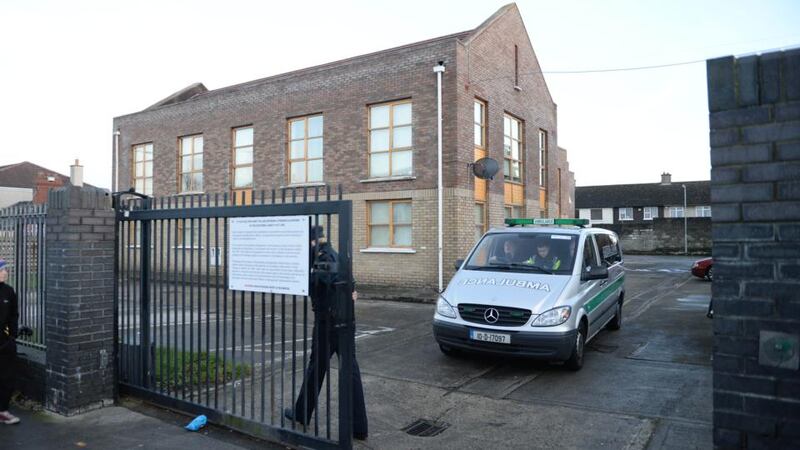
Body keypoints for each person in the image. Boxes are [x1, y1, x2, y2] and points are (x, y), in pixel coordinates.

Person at [285, 225, 368, 440]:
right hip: (344, 321)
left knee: (321, 367)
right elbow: (347, 282)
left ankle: (302, 413)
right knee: (345, 370)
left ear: (312, 242)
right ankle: (358, 427)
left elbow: (322, 284)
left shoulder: (323, 259)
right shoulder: (335, 254)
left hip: (329, 324)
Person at [0, 258, 20, 425]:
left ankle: (2, 411)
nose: (5, 272)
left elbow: (14, 314)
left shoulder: (9, 291)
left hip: (5, 343)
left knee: (7, 377)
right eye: (1, 270)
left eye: (5, 269)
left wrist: (12, 336)